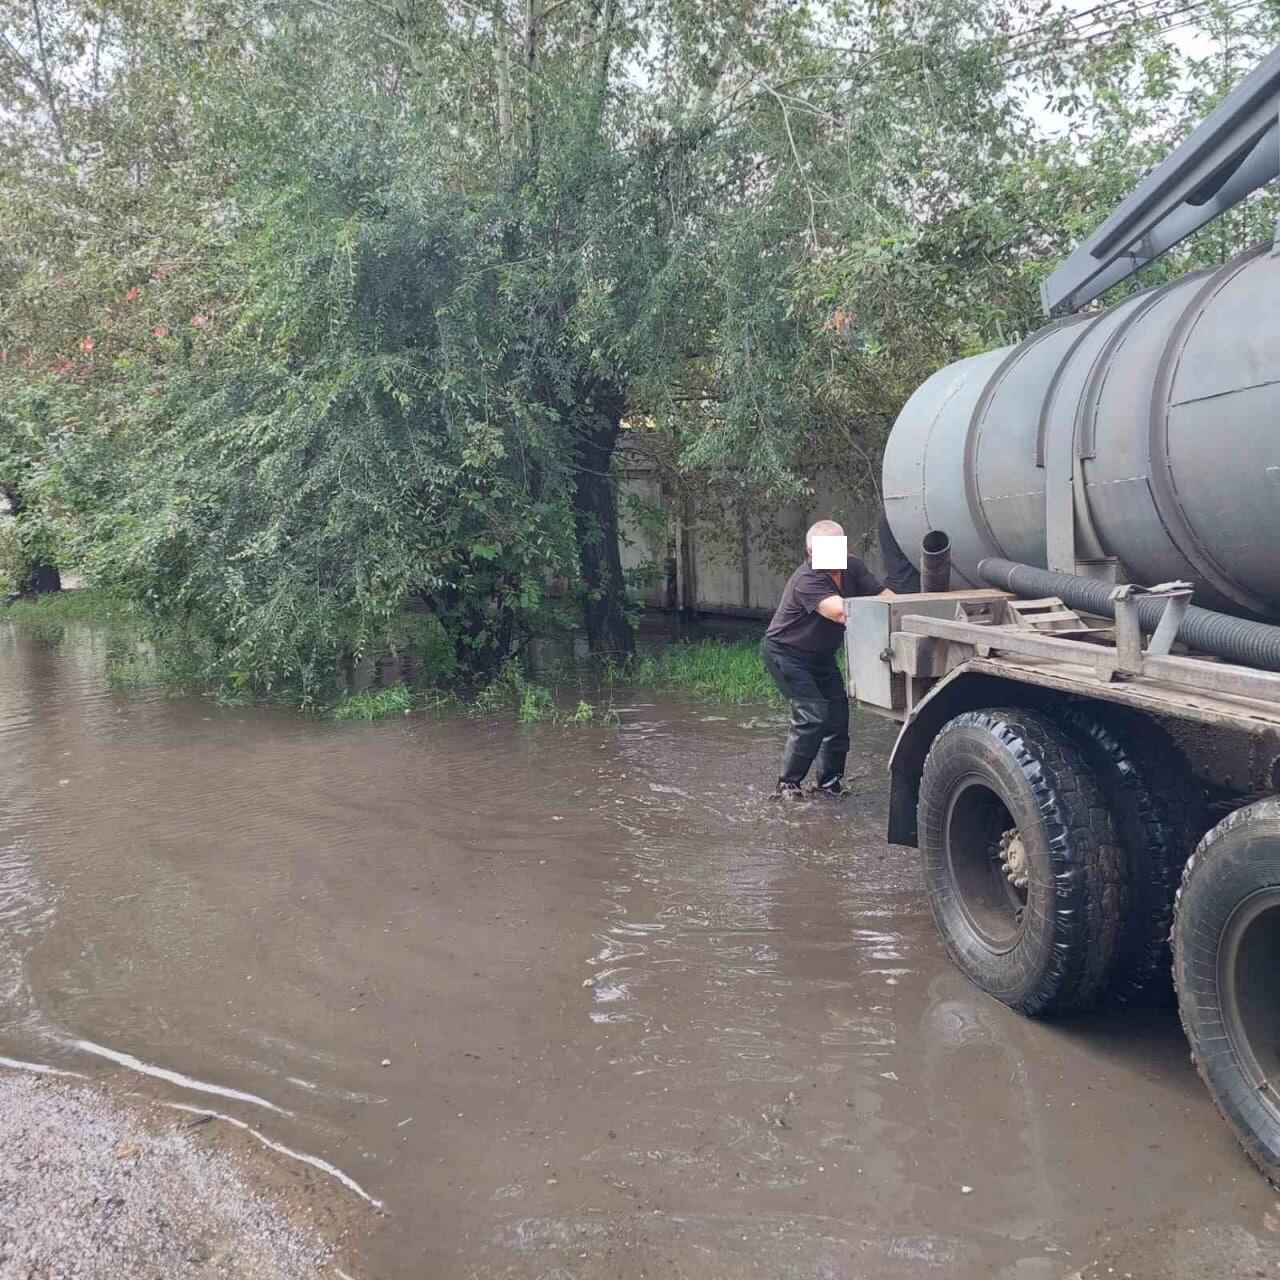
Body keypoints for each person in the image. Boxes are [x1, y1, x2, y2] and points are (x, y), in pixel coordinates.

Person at [762, 520, 892, 799]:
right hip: (786, 653)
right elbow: (840, 612)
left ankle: (829, 785)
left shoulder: (853, 567)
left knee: (837, 716)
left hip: (821, 657)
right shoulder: (806, 579)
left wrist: (904, 610)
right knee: (812, 716)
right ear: (810, 552)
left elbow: (884, 596)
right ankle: (788, 784)